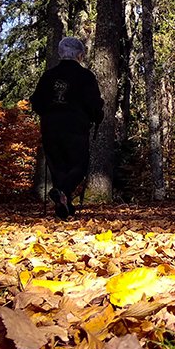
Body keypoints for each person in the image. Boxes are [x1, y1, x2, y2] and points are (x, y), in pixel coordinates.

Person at [30, 37, 104, 218]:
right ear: (80, 55)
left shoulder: (48, 76)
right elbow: (94, 103)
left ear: (60, 53)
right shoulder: (86, 76)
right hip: (76, 127)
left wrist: (49, 113)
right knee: (79, 165)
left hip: (51, 127)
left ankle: (65, 207)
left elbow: (36, 102)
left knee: (58, 167)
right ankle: (62, 192)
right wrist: (96, 115)